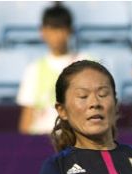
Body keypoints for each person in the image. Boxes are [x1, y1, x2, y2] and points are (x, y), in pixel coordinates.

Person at [17, 4, 89, 135]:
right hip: (42, 138)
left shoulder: (86, 64)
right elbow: (28, 113)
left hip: (76, 139)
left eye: (60, 29)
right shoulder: (34, 69)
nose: (56, 35)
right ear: (43, 32)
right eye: (51, 29)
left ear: (70, 30)